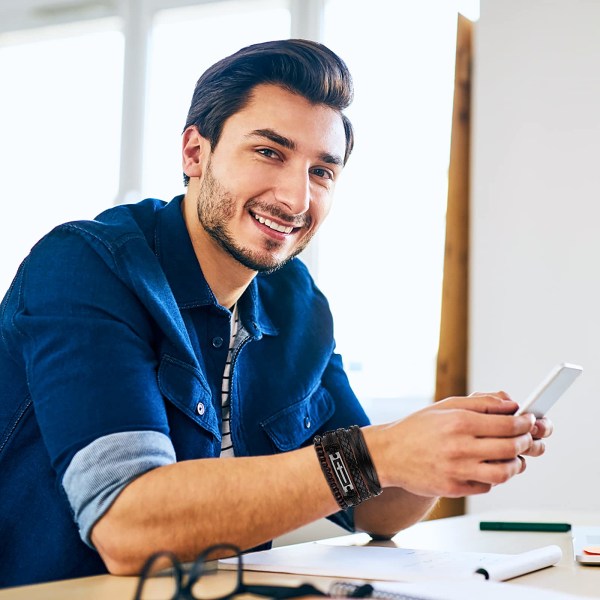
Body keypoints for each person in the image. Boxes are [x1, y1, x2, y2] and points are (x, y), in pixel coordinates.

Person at [0, 39, 551, 588]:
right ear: (195, 153)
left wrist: (438, 450)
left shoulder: (296, 301)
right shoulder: (86, 266)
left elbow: (371, 510)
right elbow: (128, 526)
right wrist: (383, 451)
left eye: (322, 172)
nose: (295, 197)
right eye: (269, 152)